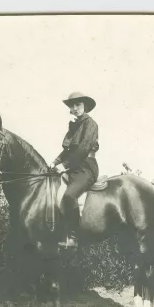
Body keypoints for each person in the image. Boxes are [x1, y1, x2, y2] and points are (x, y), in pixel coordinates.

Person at [49, 92, 99, 248]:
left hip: (86, 168)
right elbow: (67, 151)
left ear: (85, 106)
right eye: (72, 105)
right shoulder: (73, 126)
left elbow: (83, 149)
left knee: (70, 195)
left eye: (78, 104)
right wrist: (55, 162)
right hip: (73, 167)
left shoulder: (91, 124)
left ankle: (73, 237)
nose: (75, 108)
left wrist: (64, 166)